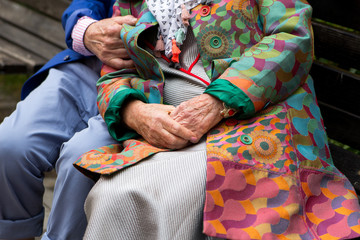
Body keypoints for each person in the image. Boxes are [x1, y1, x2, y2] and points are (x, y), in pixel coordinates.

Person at [73, 0, 360, 239]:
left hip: (254, 120)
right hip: (169, 126)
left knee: (146, 197)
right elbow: (114, 72)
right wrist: (134, 112)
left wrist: (217, 101)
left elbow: (292, 38)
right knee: (110, 196)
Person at [0, 0, 139, 239]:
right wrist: (88, 32)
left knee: (82, 161)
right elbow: (84, 5)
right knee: (11, 145)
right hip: (89, 66)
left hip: (145, 90)